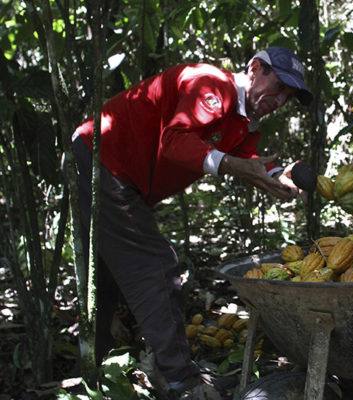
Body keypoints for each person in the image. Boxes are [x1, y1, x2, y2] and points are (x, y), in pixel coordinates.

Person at [71, 47, 313, 397]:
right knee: (155, 267)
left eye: (288, 97)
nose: (279, 101)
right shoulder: (211, 85)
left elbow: (245, 156)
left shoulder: (242, 120)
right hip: (103, 157)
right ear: (255, 68)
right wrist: (235, 166)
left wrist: (278, 176)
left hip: (122, 174)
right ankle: (179, 381)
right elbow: (175, 142)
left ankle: (103, 372)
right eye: (278, 88)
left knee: (109, 273)